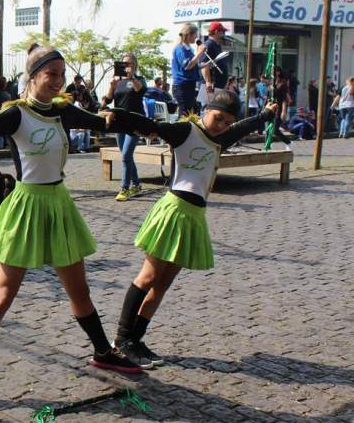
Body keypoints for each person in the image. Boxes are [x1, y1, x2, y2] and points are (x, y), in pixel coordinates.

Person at [0, 46, 146, 417]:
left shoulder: (62, 109)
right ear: (32, 77)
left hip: (59, 204)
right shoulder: (15, 113)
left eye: (61, 74)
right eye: (51, 74)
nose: (58, 80)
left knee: (79, 289)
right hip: (26, 206)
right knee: (2, 294)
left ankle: (101, 351)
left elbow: (99, 122)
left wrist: (134, 120)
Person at [108, 91, 277, 367]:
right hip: (174, 211)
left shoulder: (220, 138)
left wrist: (267, 114)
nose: (221, 125)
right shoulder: (186, 131)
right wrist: (117, 117)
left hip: (194, 216)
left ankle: (136, 339)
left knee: (162, 284)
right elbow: (152, 126)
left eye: (227, 122)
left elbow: (245, 126)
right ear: (205, 110)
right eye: (218, 117)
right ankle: (121, 340)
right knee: (148, 276)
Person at [102, 52, 147, 201]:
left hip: (134, 122)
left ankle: (124, 188)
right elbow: (107, 100)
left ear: (134, 65)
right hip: (119, 123)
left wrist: (131, 78)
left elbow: (140, 90)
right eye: (124, 64)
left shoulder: (139, 79)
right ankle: (136, 184)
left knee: (126, 155)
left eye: (129, 63)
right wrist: (111, 86)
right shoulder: (118, 82)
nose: (126, 66)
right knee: (125, 156)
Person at [171, 23, 204, 115]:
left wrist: (202, 65)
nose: (196, 38)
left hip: (189, 84)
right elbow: (187, 66)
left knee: (195, 109)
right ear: (189, 34)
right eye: (195, 35)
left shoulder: (188, 49)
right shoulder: (180, 49)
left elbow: (192, 65)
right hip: (182, 85)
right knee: (185, 112)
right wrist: (200, 52)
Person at [198, 22, 229, 102]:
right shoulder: (209, 45)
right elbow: (203, 64)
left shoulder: (217, 45)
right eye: (222, 32)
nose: (224, 34)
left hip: (218, 86)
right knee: (209, 109)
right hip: (211, 86)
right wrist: (208, 82)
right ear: (216, 32)